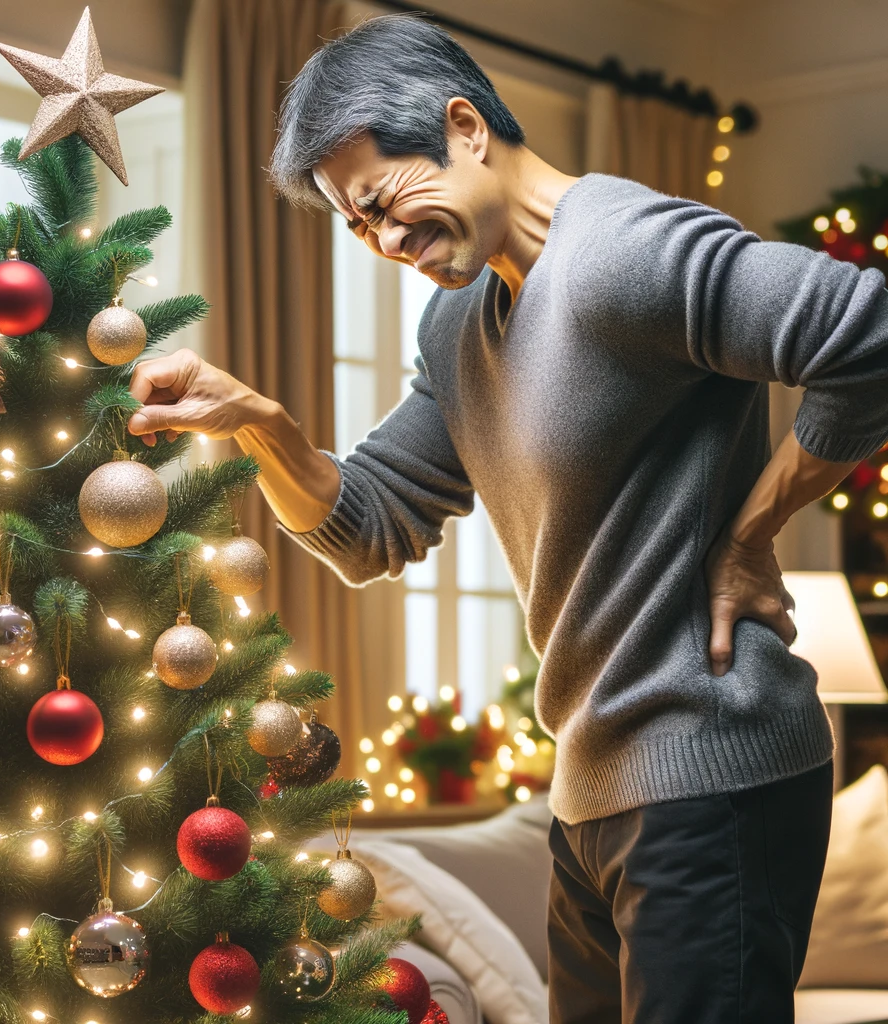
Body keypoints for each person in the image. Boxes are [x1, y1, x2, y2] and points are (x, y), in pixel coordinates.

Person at [127, 15, 888, 1023]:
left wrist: (753, 532)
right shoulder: (460, 324)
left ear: (465, 127)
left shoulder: (630, 252)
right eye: (358, 229)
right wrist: (261, 426)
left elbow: (866, 333)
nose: (386, 244)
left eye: (385, 202)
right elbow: (369, 529)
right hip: (588, 788)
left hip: (711, 769)